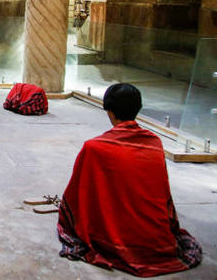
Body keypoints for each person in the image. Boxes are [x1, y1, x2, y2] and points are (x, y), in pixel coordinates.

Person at [57, 83, 202, 276]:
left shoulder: (95, 148)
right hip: (158, 241)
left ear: (109, 112)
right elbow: (161, 193)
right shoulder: (154, 143)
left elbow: (77, 197)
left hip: (117, 240)